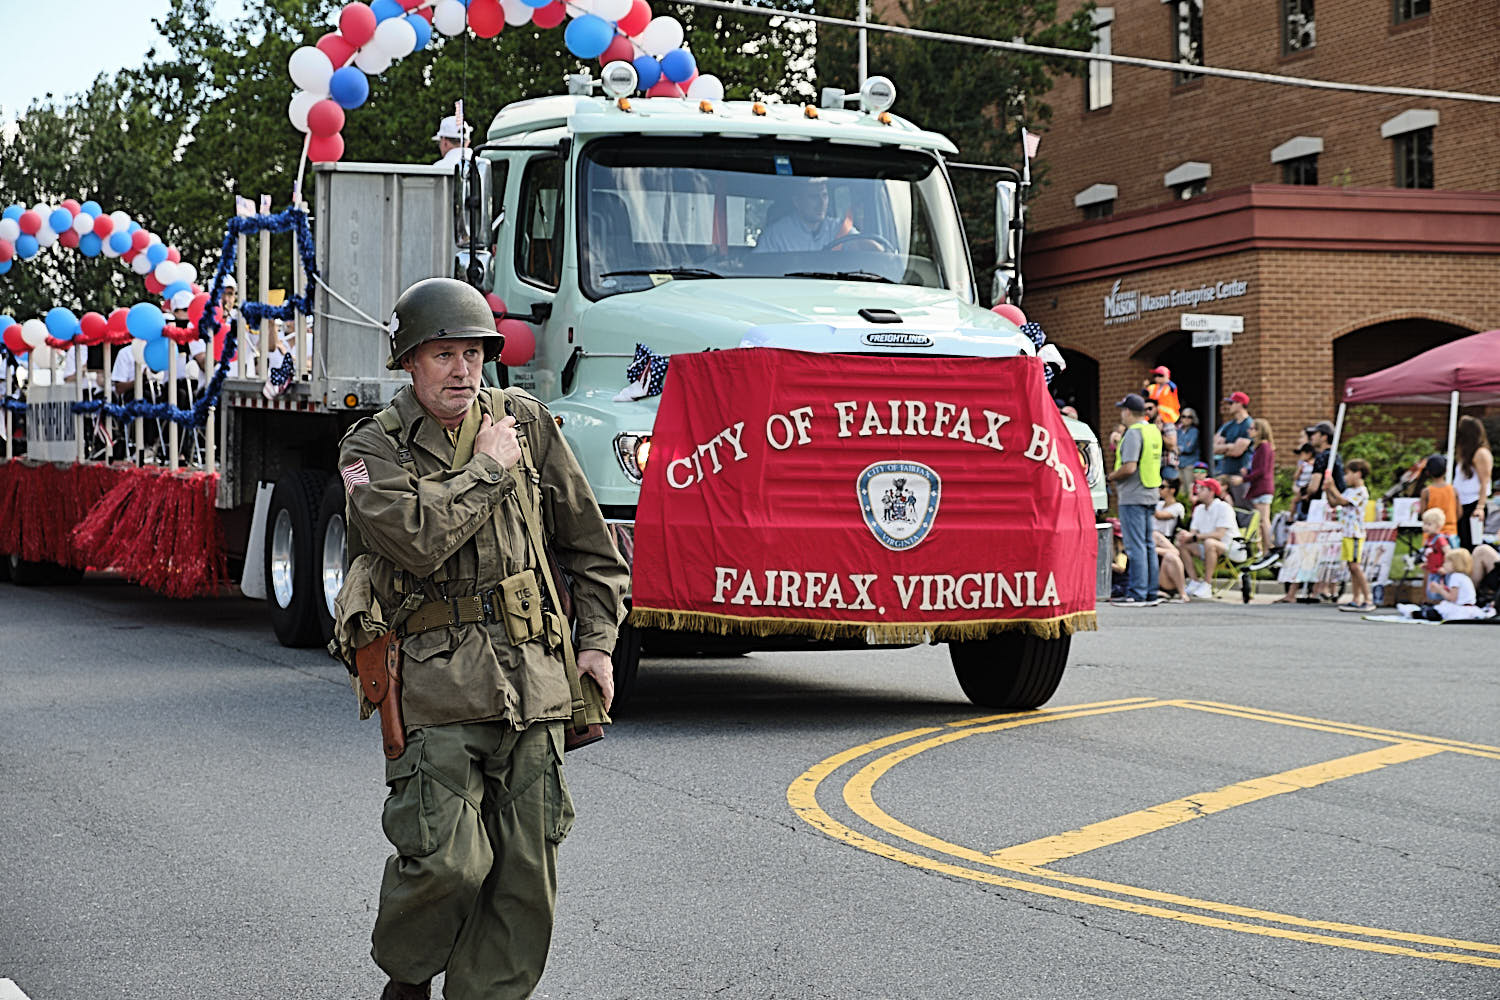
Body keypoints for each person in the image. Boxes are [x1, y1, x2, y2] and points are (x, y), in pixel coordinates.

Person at [336, 277, 628, 1000]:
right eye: (444, 355)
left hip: (532, 677)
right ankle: (407, 977)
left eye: (474, 353)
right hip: (433, 684)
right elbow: (414, 541)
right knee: (447, 862)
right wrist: (489, 470)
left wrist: (596, 641)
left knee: (525, 873)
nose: (464, 369)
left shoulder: (524, 420)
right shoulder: (369, 447)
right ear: (409, 362)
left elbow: (591, 547)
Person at [1106, 392, 1161, 606]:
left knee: (1135, 545)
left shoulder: (1133, 433)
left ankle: (1137, 593)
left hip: (1133, 494)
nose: (1121, 413)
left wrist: (1110, 476)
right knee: (1147, 544)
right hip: (1150, 491)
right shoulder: (1152, 431)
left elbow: (1129, 467)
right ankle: (1150, 592)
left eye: (1122, 409)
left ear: (1128, 411)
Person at [1325, 457, 1373, 612]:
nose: (1345, 477)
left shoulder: (1361, 492)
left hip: (1355, 533)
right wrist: (1327, 490)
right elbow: (1334, 503)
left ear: (1358, 474)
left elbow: (1343, 501)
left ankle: (1367, 598)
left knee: (1355, 566)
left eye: (1348, 473)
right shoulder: (1349, 490)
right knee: (1351, 567)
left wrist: (1332, 487)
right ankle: (1355, 598)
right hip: (1346, 532)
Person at [1176, 477, 1236, 600]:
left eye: (1202, 488)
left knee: (1210, 543)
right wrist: (1185, 535)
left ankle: (1207, 585)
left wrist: (1194, 536)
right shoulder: (1198, 509)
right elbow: (1193, 533)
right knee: (1182, 544)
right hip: (1207, 547)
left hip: (1231, 547)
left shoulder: (1224, 507)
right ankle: (1194, 581)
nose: (1197, 491)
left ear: (1211, 491)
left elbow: (1219, 535)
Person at [756, 176, 847, 253]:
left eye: (824, 195)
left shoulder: (839, 228)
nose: (821, 203)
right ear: (797, 202)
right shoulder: (776, 235)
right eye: (813, 197)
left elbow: (859, 251)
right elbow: (759, 267)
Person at [1400, 548, 1487, 620]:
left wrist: (1439, 590)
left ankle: (1412, 613)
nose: (1444, 565)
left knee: (1434, 611)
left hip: (1459, 609)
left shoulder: (1455, 577)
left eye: (1446, 562)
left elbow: (1452, 598)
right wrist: (1444, 589)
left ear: (1455, 564)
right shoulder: (1464, 577)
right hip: (1470, 609)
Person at [1453, 415, 1493, 551]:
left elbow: (1484, 482)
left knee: (1473, 544)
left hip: (1474, 503)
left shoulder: (1481, 453)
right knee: (1463, 542)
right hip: (1462, 504)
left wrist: (1480, 507)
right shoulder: (1465, 454)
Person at [1243, 418, 1276, 561]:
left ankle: (1269, 548)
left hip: (1262, 487)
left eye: (1251, 429)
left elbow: (1261, 470)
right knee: (1261, 520)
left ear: (1259, 431)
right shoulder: (1262, 447)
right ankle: (1262, 550)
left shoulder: (1263, 447)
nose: (1249, 431)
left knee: (1263, 520)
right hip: (1260, 487)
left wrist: (1245, 478)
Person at [1212, 391, 1254, 502]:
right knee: (1225, 505)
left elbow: (1237, 452)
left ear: (1240, 404)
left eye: (1231, 403)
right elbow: (1213, 448)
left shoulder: (1249, 424)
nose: (1229, 406)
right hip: (1225, 472)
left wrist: (1225, 448)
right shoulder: (1228, 426)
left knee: (1241, 507)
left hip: (1240, 474)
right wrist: (1230, 446)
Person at [1153, 471, 1187, 600]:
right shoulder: (1159, 504)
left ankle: (1182, 591)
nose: (1159, 490)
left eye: (1162, 487)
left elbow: (1160, 516)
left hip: (1165, 539)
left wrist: (1147, 500)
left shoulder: (1178, 507)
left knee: (1171, 554)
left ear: (1172, 490)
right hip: (1154, 538)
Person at [1417, 454, 1459, 538]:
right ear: (1446, 470)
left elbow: (1423, 514)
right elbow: (1459, 513)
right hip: (1450, 532)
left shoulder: (1426, 492)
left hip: (1431, 534)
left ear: (1427, 472)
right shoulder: (1453, 490)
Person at [1419, 506, 1452, 602]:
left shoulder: (1440, 539)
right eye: (1424, 524)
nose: (1425, 527)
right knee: (1431, 590)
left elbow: (1448, 552)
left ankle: (1440, 605)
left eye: (1429, 524)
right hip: (1432, 570)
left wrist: (1446, 567)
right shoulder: (1429, 539)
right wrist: (1427, 564)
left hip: (1439, 571)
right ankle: (1432, 604)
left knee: (1438, 591)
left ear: (1438, 526)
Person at [1144, 398, 1178, 475]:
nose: (1147, 411)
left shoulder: (1166, 423)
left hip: (1168, 465)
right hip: (1154, 466)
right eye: (1145, 409)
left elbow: (1172, 445)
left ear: (1156, 408)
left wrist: (1158, 432)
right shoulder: (1146, 425)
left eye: (1150, 408)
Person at [1176, 407, 1200, 476]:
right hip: (1178, 464)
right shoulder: (1178, 431)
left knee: (1189, 486)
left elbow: (1189, 448)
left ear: (1193, 419)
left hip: (1190, 465)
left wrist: (1178, 448)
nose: (1186, 419)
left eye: (1189, 417)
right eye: (1184, 416)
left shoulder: (1194, 431)